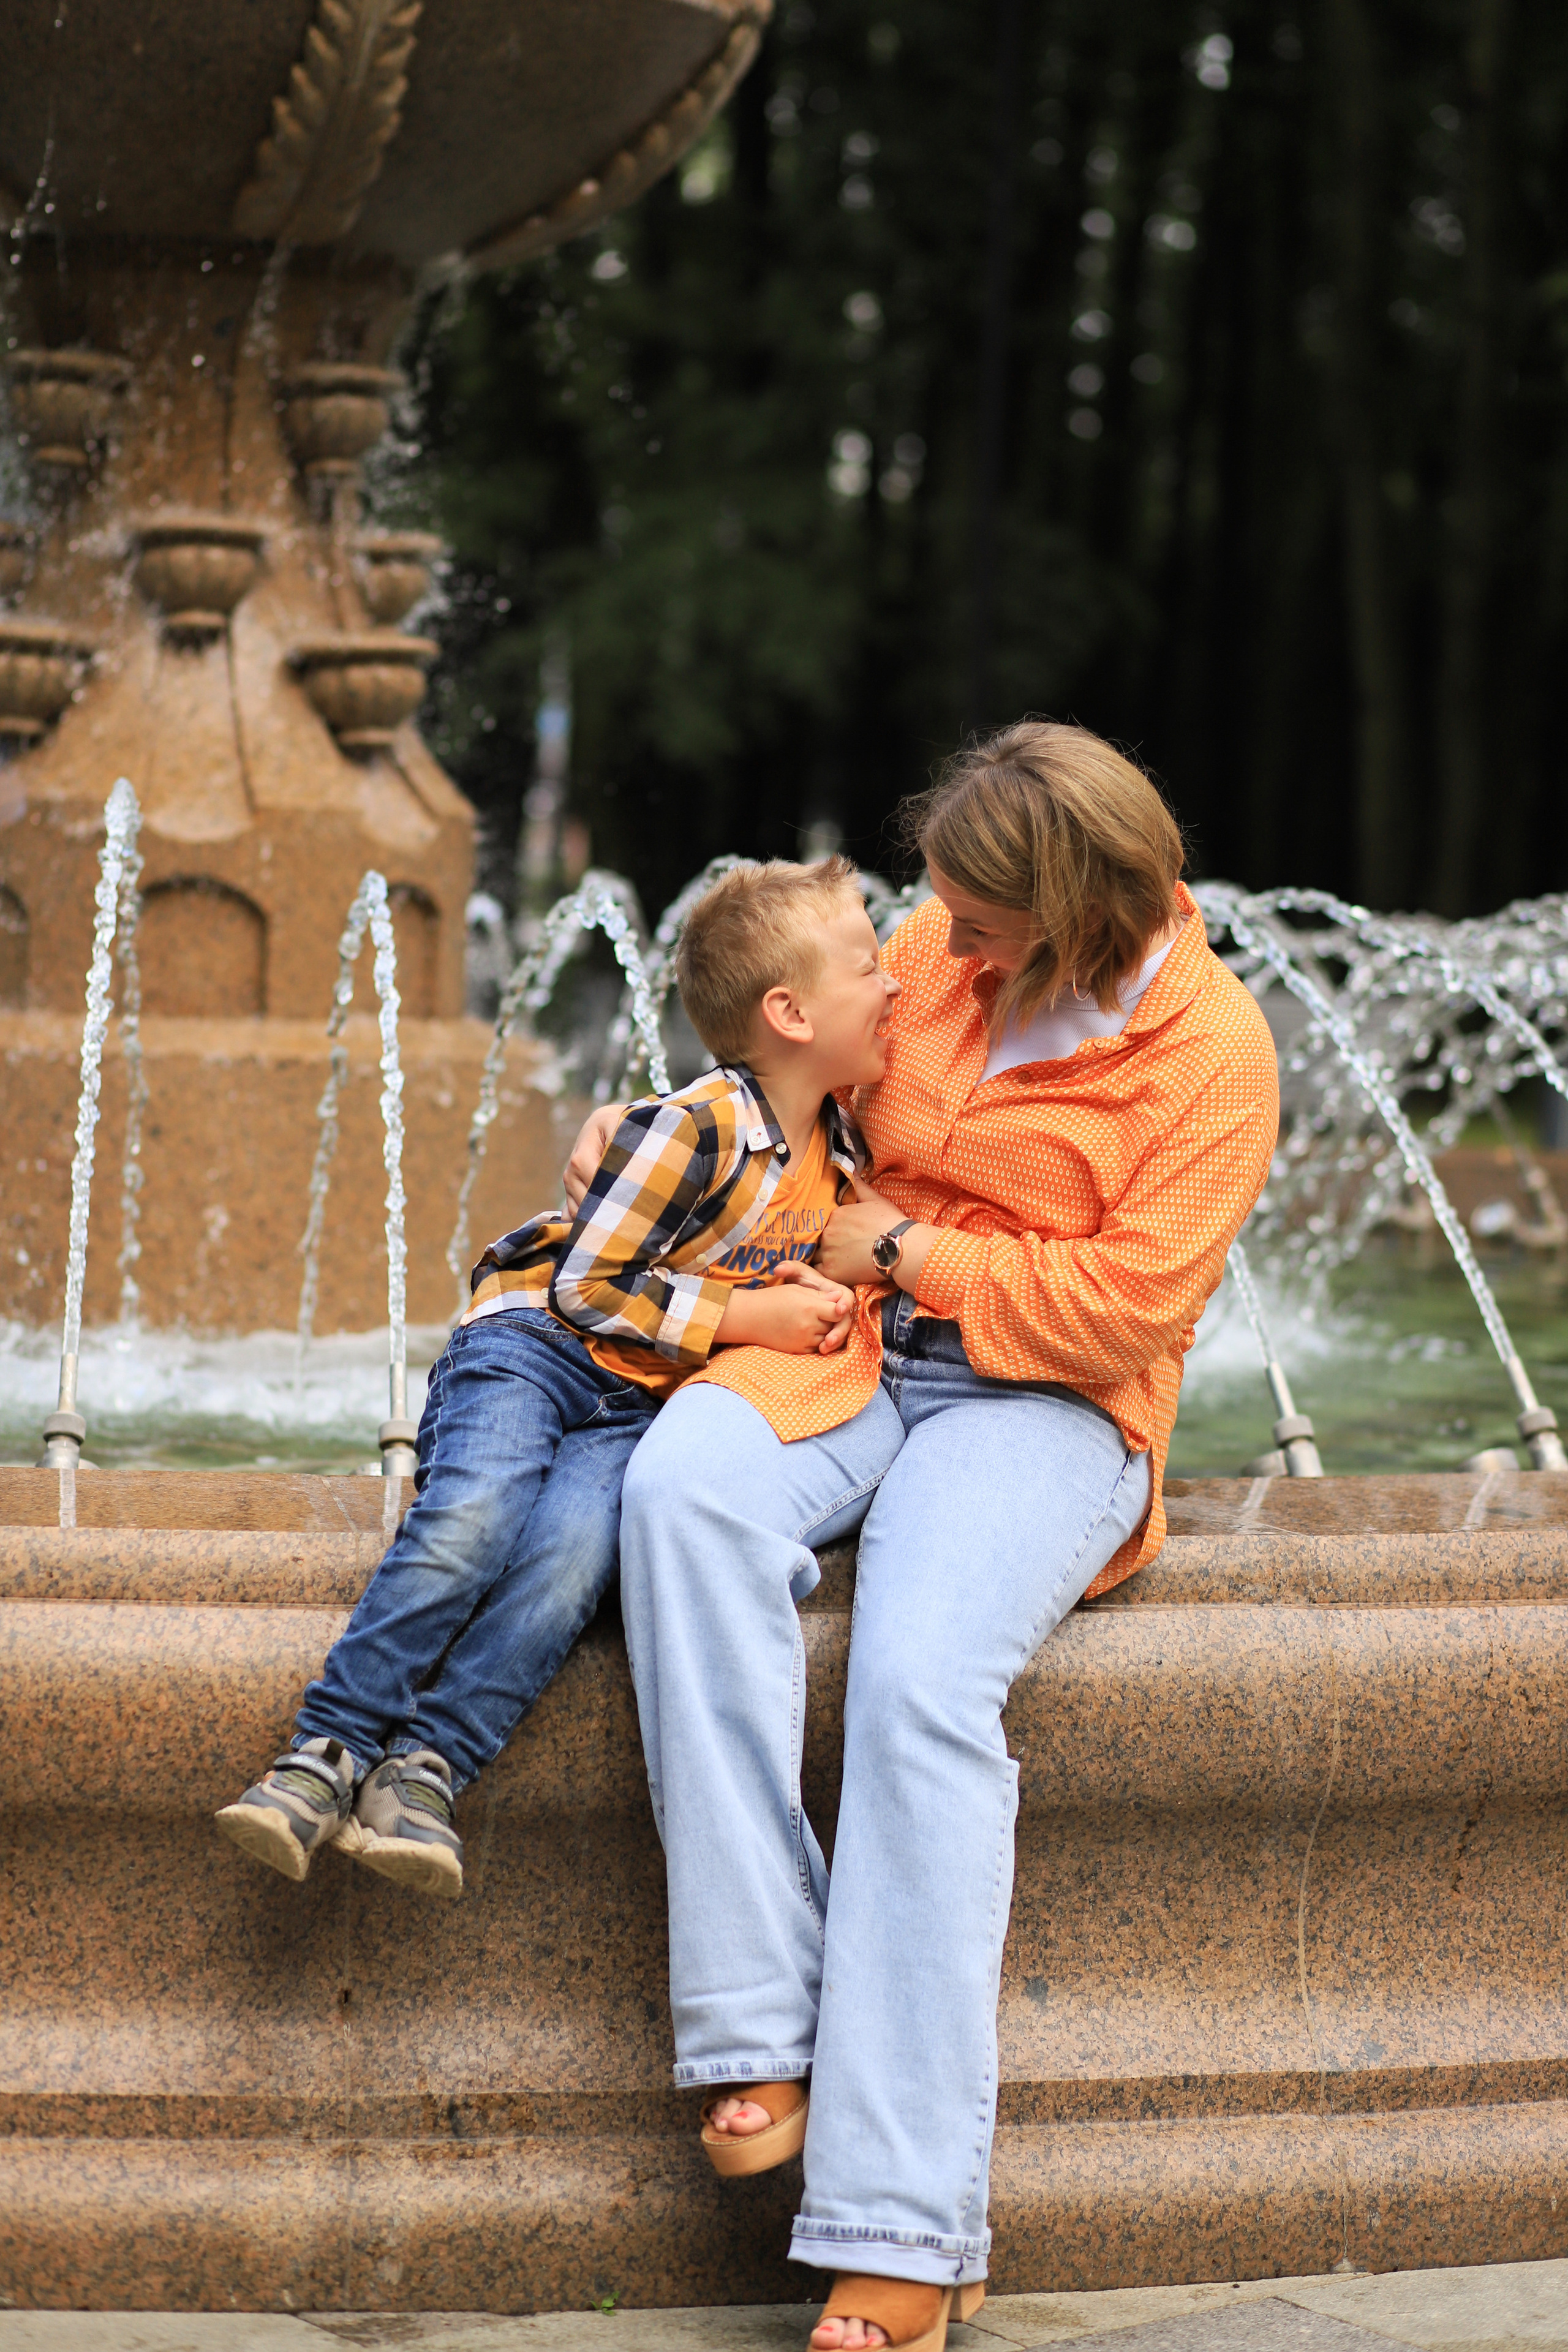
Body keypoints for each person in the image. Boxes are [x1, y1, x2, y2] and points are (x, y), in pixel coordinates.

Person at [569, 723, 1279, 2352]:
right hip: (862, 1338)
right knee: (682, 1490)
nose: (939, 952)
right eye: (940, 918)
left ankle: (902, 2227)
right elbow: (809, 1105)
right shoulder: (938, 946)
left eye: (975, 927)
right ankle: (756, 2021)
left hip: (1048, 1406)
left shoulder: (1211, 1059)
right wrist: (664, 1154)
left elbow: (1125, 1311)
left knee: (912, 1689)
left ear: (1079, 906)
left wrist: (921, 1250)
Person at [216, 854, 897, 1901]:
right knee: (476, 1516)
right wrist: (751, 1316)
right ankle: (325, 1750)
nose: (894, 982)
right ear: (791, 1013)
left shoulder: (841, 1146)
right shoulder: (698, 1126)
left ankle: (427, 1767)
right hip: (539, 1346)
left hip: (642, 1401)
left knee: (575, 1562)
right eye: (869, 965)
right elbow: (587, 1288)